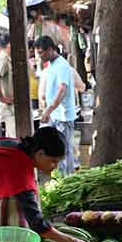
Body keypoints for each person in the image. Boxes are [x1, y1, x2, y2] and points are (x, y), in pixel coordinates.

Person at [0, 128, 94, 242]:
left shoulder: (20, 148)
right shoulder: (19, 171)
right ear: (40, 154)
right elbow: (38, 225)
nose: (55, 167)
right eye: (53, 161)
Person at [34, 35, 77, 175]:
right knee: (56, 148)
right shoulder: (52, 65)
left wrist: (48, 110)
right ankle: (60, 177)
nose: (39, 56)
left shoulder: (62, 65)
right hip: (55, 115)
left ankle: (68, 180)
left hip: (63, 116)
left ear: (51, 49)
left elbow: (62, 89)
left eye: (41, 52)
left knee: (65, 150)